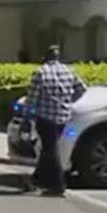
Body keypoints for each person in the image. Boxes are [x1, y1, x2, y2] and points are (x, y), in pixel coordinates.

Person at [25, 44, 87, 197]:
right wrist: (68, 101)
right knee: (48, 148)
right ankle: (37, 180)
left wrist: (28, 116)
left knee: (51, 150)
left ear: (45, 57)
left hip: (45, 116)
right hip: (63, 116)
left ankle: (59, 185)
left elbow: (32, 99)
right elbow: (82, 89)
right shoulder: (69, 71)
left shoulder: (40, 72)